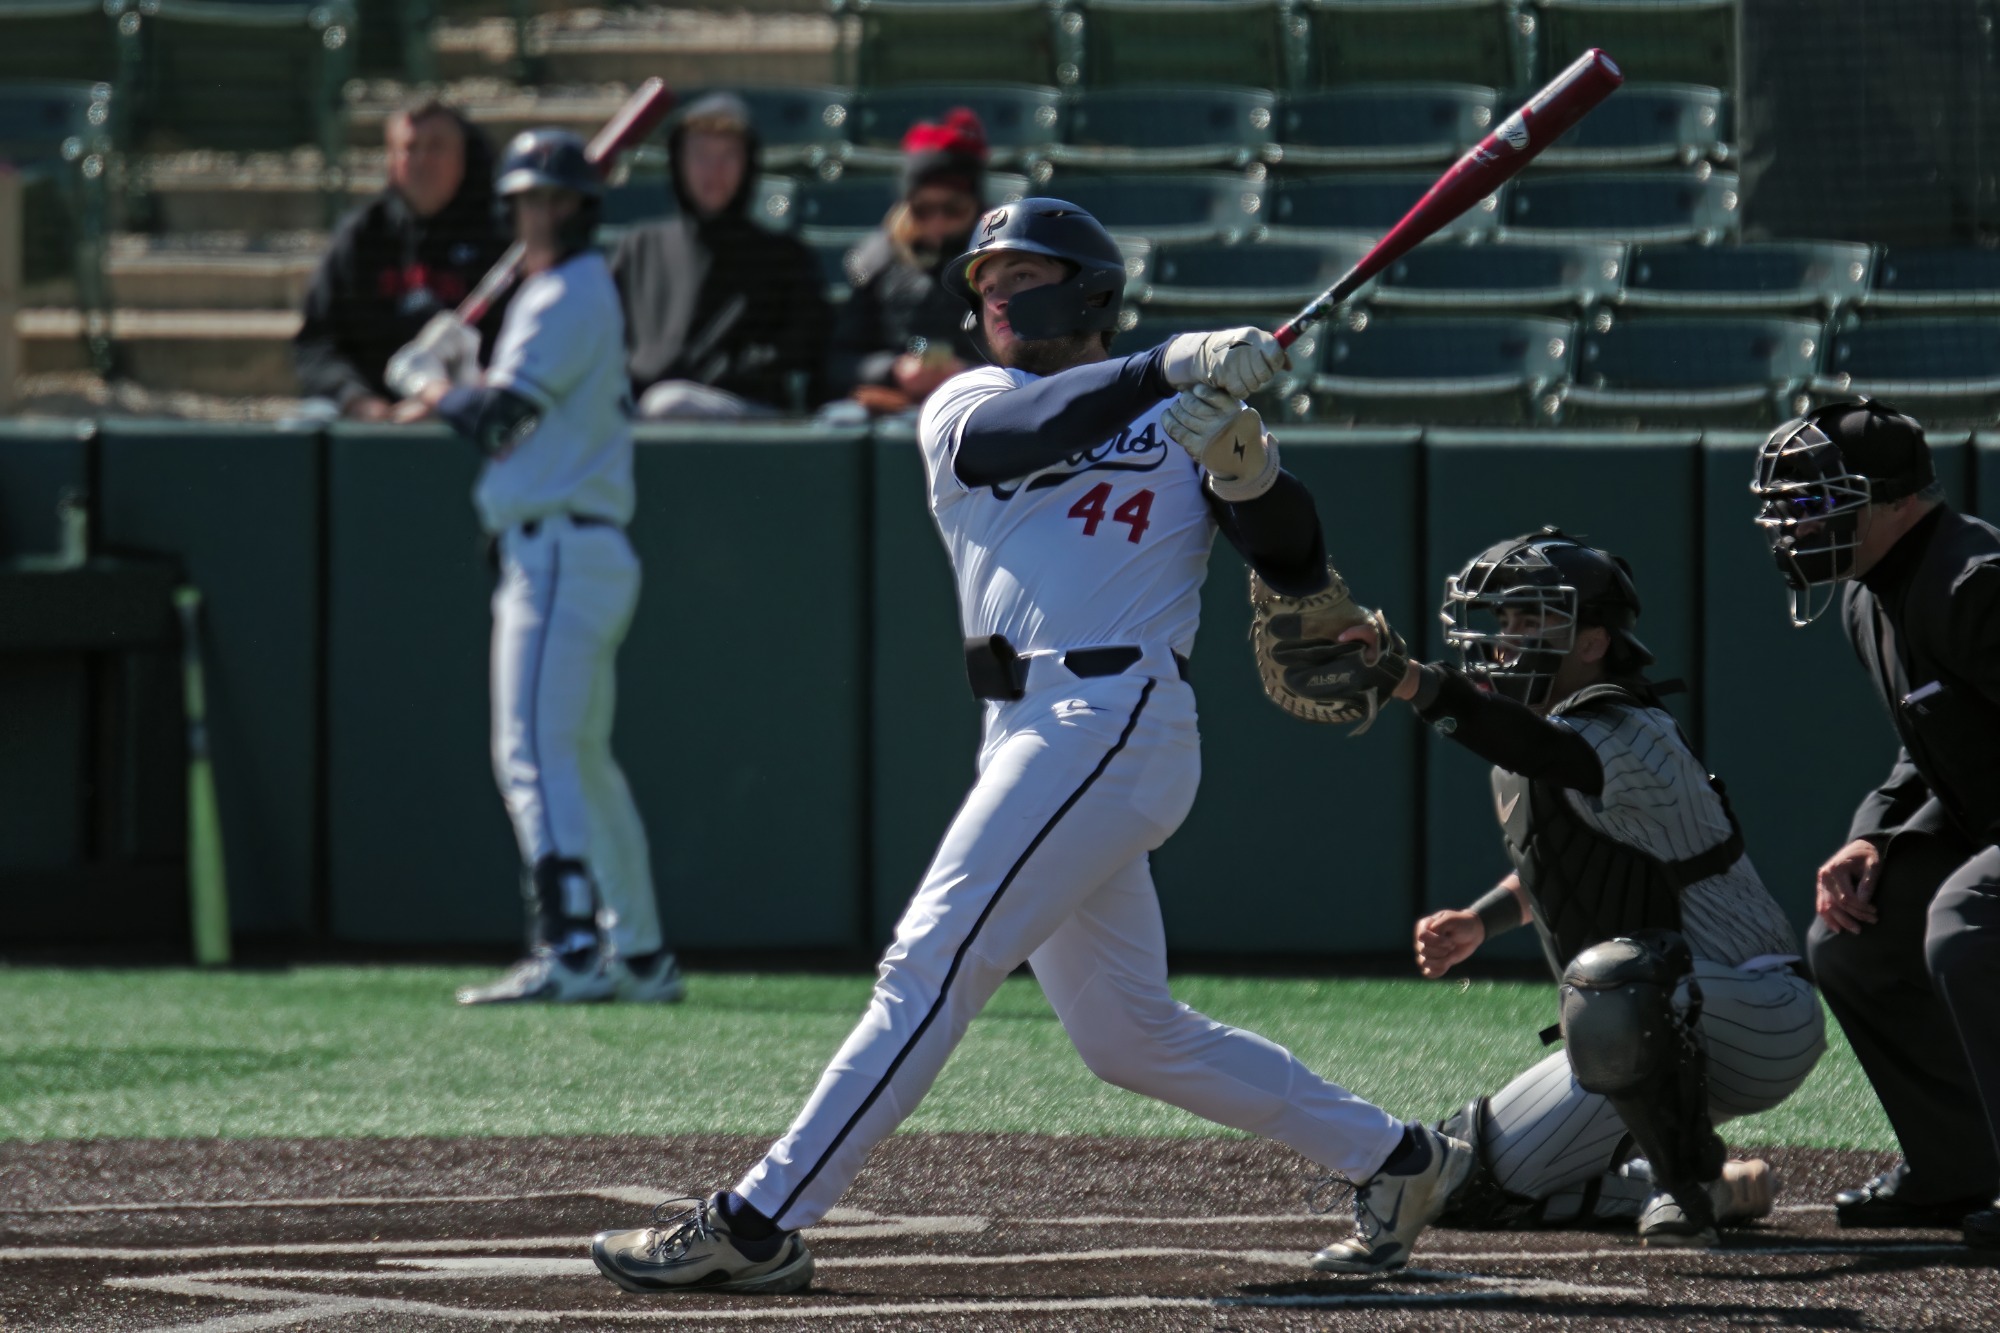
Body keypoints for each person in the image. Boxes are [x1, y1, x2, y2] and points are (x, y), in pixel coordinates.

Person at [586, 198, 1472, 1296]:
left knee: (929, 960)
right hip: (1025, 727)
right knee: (1126, 1036)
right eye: (986, 279)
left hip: (1111, 718)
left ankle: (756, 1220)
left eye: (1025, 274)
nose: (997, 293)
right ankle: (1396, 1158)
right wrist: (1167, 366)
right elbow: (1029, 435)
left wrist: (1246, 472)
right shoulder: (972, 401)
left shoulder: (1183, 410)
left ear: (1089, 290)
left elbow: (1291, 570)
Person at [1288, 529, 1824, 1247]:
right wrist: (1480, 921)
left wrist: (1408, 677)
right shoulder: (1542, 737)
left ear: (1594, 642)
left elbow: (1542, 749)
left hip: (1756, 1007)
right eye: (1504, 619)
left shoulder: (1631, 728)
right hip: (1647, 1022)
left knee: (1615, 983)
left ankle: (1686, 1180)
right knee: (1461, 1182)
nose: (1506, 637)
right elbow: (1562, 866)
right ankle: (1708, 1187)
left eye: (1530, 619)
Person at [389, 129, 681, 1007]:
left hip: (558, 549)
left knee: (534, 752)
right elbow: (517, 409)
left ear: (582, 209)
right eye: (525, 201)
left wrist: (434, 387)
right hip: (569, 547)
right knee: (582, 759)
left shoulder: (565, 294)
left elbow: (502, 423)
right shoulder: (560, 293)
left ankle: (571, 946)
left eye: (551, 201)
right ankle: (640, 952)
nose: (536, 214)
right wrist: (457, 364)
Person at [1749, 399, 2000, 1245]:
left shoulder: (1977, 580)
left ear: (1895, 498)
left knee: (1967, 924)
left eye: (1816, 500)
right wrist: (1873, 835)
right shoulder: (1869, 594)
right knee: (1853, 937)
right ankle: (1959, 1165)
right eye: (1789, 504)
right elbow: (1927, 748)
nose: (1793, 523)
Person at [610, 92, 832, 419]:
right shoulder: (638, 248)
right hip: (636, 421)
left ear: (749, 163)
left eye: (729, 156)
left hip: (746, 428)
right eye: (700, 155)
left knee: (669, 405)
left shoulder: (785, 258)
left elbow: (800, 354)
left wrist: (713, 369)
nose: (714, 171)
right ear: (678, 161)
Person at [294, 98, 507, 420]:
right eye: (409, 148)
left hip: (466, 405)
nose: (422, 160)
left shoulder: (500, 239)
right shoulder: (362, 235)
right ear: (391, 161)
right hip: (370, 409)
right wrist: (360, 402)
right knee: (307, 421)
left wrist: (443, 401)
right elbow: (317, 343)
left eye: (436, 147)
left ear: (464, 157)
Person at [825, 107, 988, 416]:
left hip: (976, 402)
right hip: (893, 402)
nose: (938, 222)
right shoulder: (879, 261)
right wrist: (892, 370)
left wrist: (964, 374)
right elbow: (839, 362)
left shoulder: (999, 261)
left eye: (952, 209)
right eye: (923, 210)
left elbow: (1028, 359)